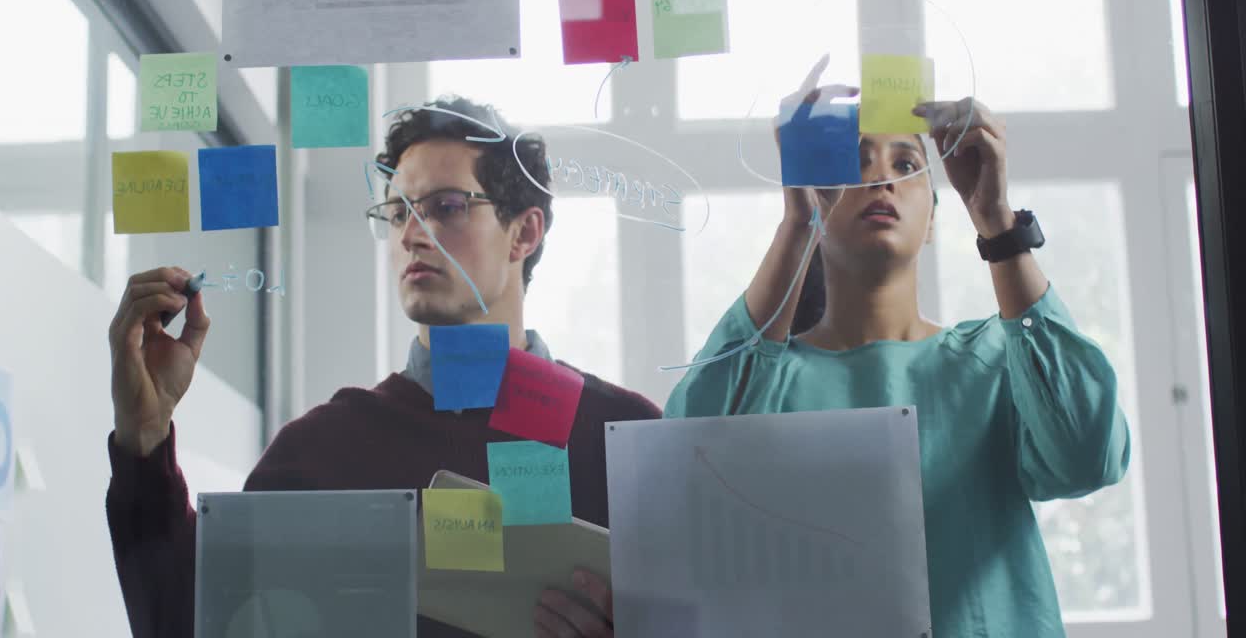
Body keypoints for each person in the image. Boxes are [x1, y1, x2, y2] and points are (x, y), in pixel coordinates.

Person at [105, 96, 657, 638]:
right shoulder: (321, 453)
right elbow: (187, 622)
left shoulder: (625, 442)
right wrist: (145, 441)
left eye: (446, 206)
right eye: (397, 213)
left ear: (525, 233)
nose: (411, 235)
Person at [665, 66, 1131, 638]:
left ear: (934, 219)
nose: (880, 179)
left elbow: (1088, 456)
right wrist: (798, 221)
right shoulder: (770, 382)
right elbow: (682, 466)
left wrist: (996, 220)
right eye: (854, 160)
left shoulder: (994, 362)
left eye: (906, 164)